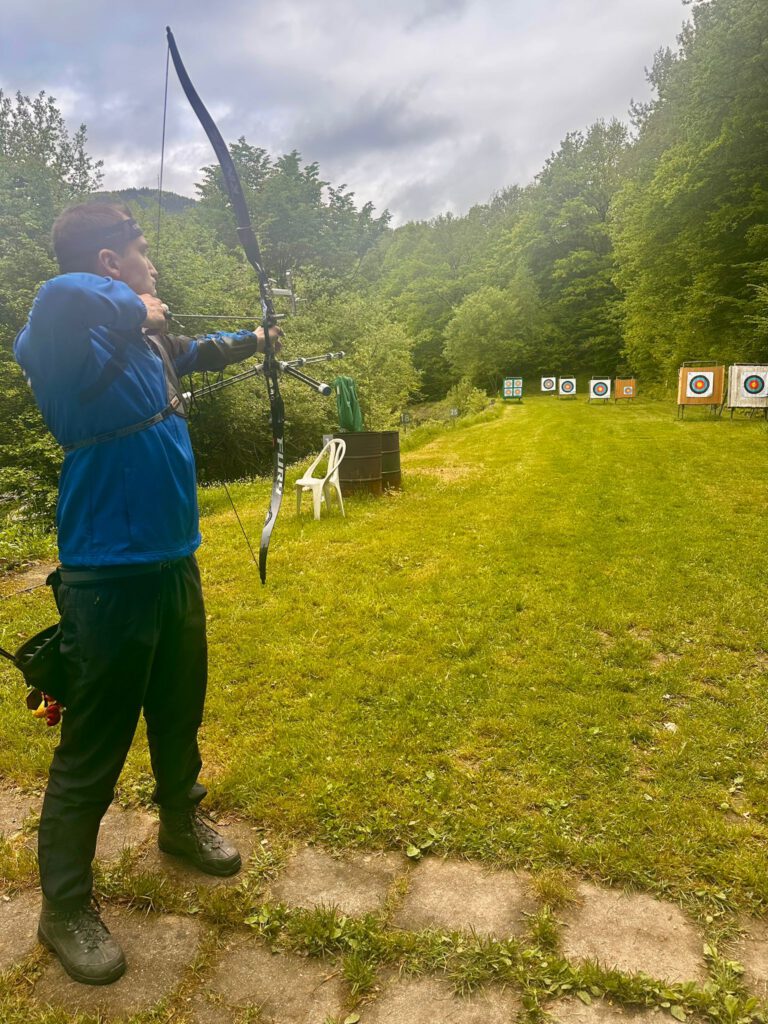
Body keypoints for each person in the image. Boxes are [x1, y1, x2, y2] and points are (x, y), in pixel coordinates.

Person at [14, 201, 280, 986]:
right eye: (142, 250)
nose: (153, 263)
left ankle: (179, 822)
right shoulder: (62, 333)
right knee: (94, 745)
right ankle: (63, 909)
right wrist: (136, 305)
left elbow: (194, 350)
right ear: (108, 262)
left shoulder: (145, 339)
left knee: (177, 706)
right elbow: (57, 297)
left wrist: (256, 339)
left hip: (173, 560)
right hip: (107, 573)